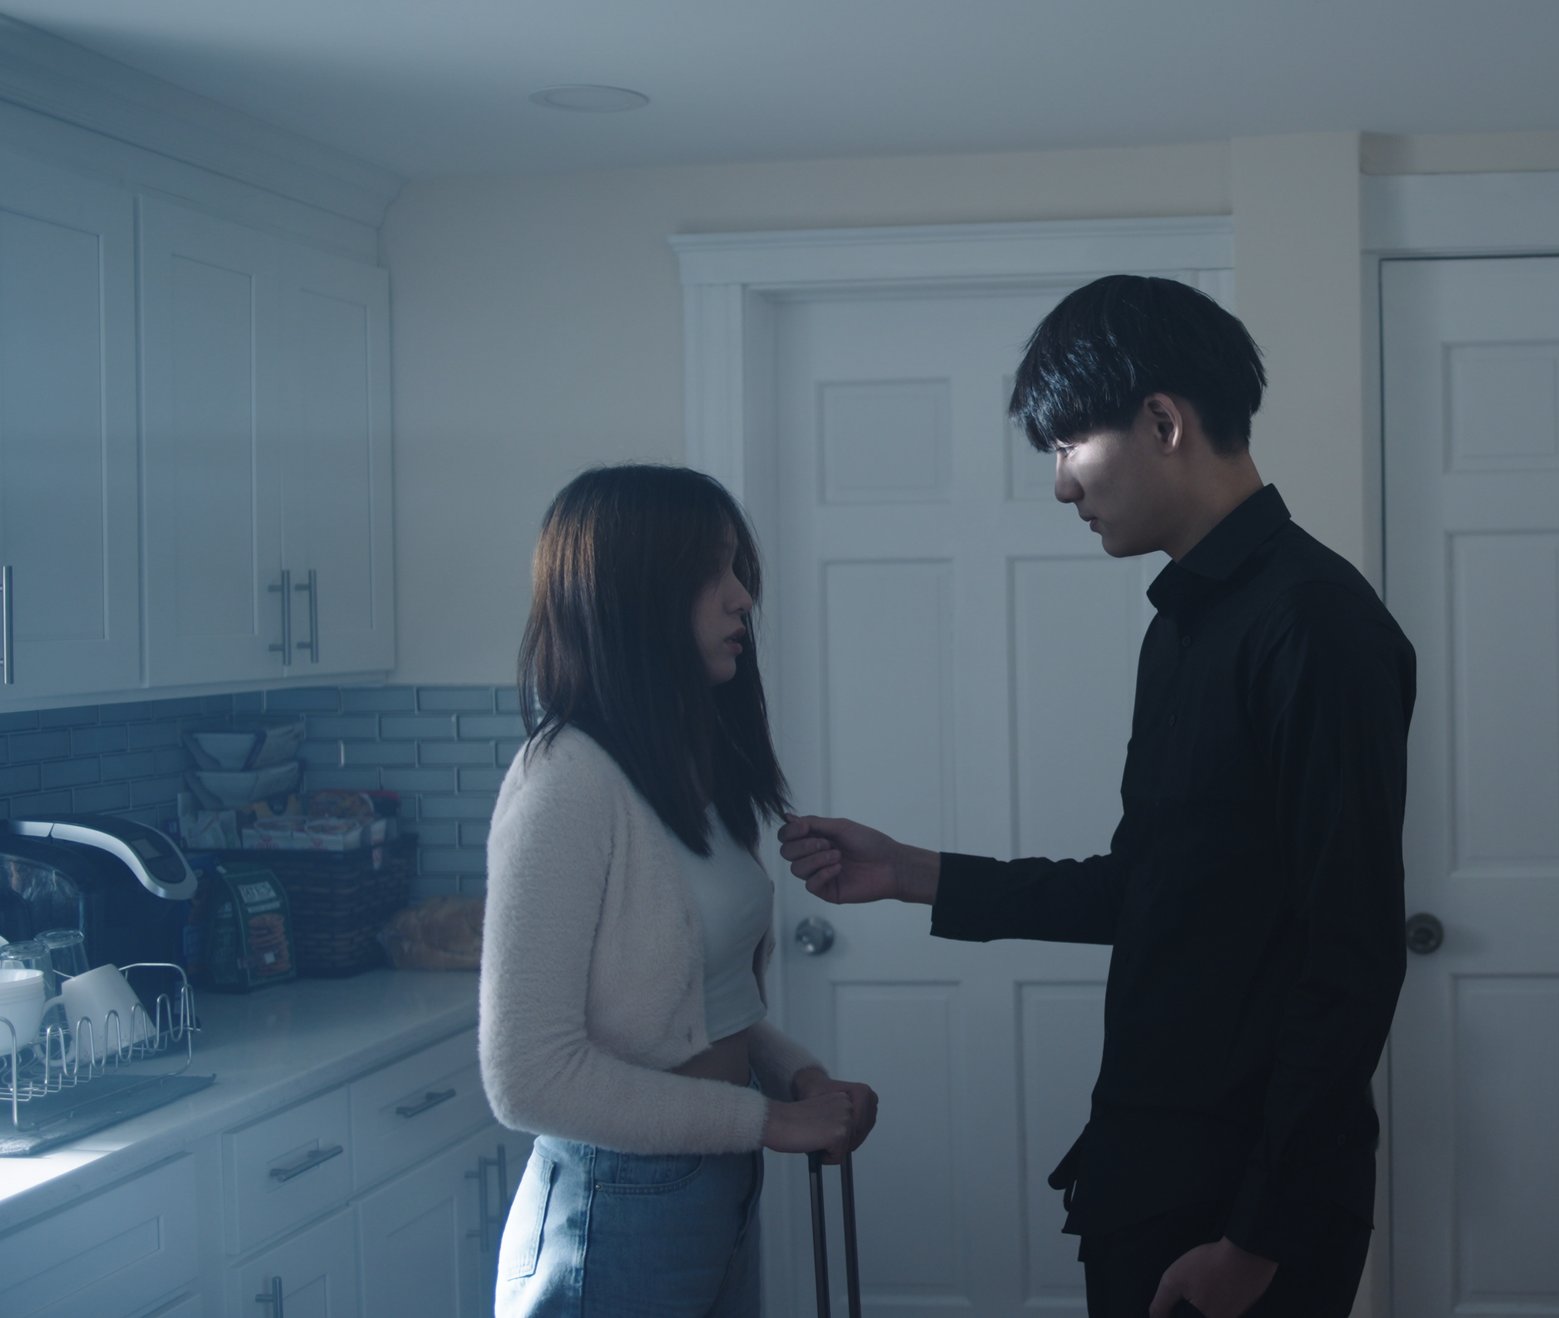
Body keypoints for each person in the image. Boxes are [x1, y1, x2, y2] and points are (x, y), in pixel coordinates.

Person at [779, 276, 1416, 1318]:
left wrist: (1253, 1239)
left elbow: (1349, 954)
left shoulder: (1313, 624)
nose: (1064, 487)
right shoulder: (1184, 626)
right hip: (1154, 1163)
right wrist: (915, 873)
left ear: (1163, 421)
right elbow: (1156, 890)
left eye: (1070, 445)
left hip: (1239, 1204)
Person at [481, 464, 878, 1316]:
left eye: (740, 571)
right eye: (715, 573)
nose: (743, 600)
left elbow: (700, 1004)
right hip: (616, 1199)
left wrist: (800, 1080)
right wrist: (771, 1123)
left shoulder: (683, 773)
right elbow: (527, 1079)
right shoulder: (565, 783)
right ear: (634, 596)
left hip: (709, 1178)